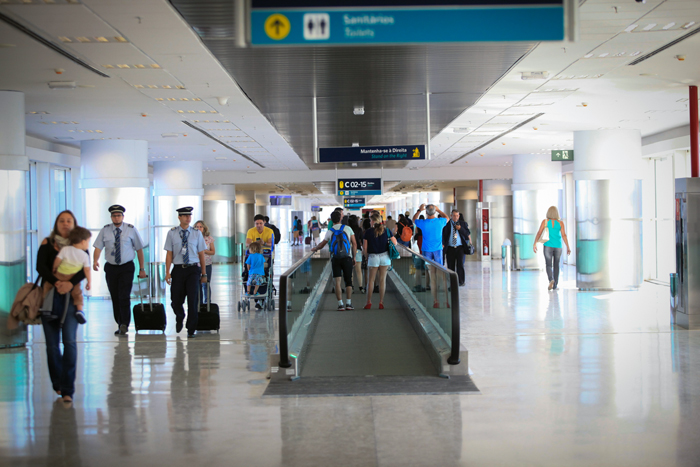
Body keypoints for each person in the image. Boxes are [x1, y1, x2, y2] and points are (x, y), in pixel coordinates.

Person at [37, 210, 86, 403]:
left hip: (71, 300)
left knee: (70, 343)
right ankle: (57, 382)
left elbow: (85, 268)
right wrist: (57, 282)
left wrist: (70, 284)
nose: (65, 224)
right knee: (51, 346)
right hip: (49, 298)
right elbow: (40, 267)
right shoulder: (47, 244)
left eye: (69, 221)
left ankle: (68, 389)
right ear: (56, 224)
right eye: (62, 221)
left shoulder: (80, 244)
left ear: (74, 224)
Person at [92, 204, 147, 335]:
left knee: (124, 296)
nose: (116, 218)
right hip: (111, 268)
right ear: (111, 217)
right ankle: (119, 322)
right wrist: (95, 261)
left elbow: (139, 249)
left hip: (126, 267)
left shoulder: (131, 229)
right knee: (115, 296)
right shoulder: (105, 230)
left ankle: (124, 324)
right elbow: (98, 247)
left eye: (118, 215)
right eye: (114, 216)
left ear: (123, 216)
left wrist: (142, 268)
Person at [164, 207, 207, 338]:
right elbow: (169, 254)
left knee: (193, 299)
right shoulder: (172, 233)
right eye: (184, 215)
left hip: (193, 269)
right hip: (178, 269)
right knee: (175, 300)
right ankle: (180, 315)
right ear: (179, 217)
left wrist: (204, 274)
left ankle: (191, 328)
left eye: (189, 215)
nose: (188, 218)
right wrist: (167, 272)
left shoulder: (196, 233)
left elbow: (201, 254)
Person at [312, 210, 357, 310]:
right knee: (348, 281)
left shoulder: (330, 231)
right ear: (341, 218)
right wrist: (354, 257)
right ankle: (348, 303)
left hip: (335, 258)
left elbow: (322, 244)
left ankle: (340, 304)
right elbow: (354, 243)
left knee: (337, 281)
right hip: (347, 257)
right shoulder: (348, 228)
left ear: (332, 220)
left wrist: (315, 248)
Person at [46, 226, 92, 325]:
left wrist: (54, 268)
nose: (88, 244)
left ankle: (50, 310)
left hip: (60, 275)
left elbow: (57, 260)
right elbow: (87, 270)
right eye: (88, 241)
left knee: (54, 291)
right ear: (83, 242)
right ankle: (79, 311)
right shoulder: (84, 255)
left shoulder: (66, 249)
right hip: (72, 277)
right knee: (77, 294)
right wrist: (89, 281)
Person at [413, 203, 448, 308]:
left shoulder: (423, 223)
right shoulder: (440, 222)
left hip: (427, 251)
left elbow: (414, 219)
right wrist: (438, 210)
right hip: (438, 251)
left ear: (426, 212)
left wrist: (419, 210)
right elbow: (447, 217)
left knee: (432, 275)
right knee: (442, 275)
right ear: (434, 211)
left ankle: (435, 300)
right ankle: (446, 300)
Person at [363, 213, 398, 309]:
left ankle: (368, 302)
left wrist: (366, 257)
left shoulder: (368, 232)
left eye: (370, 221)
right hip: (385, 256)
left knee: (371, 281)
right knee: (382, 280)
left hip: (373, 257)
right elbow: (395, 242)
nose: (370, 222)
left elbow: (365, 248)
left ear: (373, 221)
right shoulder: (387, 230)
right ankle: (381, 302)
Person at [533, 206, 571, 291]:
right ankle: (555, 285)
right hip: (558, 246)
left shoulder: (545, 222)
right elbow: (564, 235)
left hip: (548, 246)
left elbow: (539, 233)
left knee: (549, 264)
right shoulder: (560, 223)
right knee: (556, 265)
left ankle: (551, 279)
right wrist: (568, 247)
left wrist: (535, 243)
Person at [442, 209, 471, 287]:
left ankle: (461, 281)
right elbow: (443, 234)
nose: (455, 217)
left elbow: (467, 233)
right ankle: (452, 282)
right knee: (450, 265)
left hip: (460, 248)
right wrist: (443, 243)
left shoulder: (463, 224)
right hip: (450, 248)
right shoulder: (447, 224)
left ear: (459, 216)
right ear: (451, 216)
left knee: (460, 264)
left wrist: (460, 229)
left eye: (457, 215)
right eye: (454, 215)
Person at [194, 220, 215, 304]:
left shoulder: (209, 238)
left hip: (207, 264)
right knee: (197, 284)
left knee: (206, 283)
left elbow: (213, 252)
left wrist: (204, 251)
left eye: (200, 227)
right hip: (196, 264)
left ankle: (207, 302)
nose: (199, 228)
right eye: (197, 227)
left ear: (204, 228)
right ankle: (199, 302)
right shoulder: (193, 237)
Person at [348, 215, 365, 294]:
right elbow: (362, 240)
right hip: (357, 250)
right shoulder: (359, 229)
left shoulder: (347, 229)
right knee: (359, 270)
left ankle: (351, 287)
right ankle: (361, 287)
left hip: (348, 251)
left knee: (350, 270)